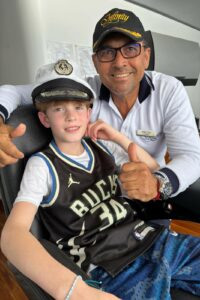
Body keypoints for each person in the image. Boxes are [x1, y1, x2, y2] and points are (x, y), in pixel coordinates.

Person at [1, 59, 163, 300]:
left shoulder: (101, 147)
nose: (70, 117)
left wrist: (118, 137)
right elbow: (13, 234)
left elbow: (154, 168)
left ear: (89, 113)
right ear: (44, 119)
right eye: (58, 109)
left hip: (149, 239)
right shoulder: (41, 165)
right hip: (108, 265)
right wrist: (78, 291)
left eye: (78, 107)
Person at [0, 8, 200, 204]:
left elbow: (191, 157)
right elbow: (13, 91)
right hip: (99, 204)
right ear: (95, 62)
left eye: (130, 49)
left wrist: (157, 183)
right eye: (107, 52)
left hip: (150, 197)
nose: (119, 62)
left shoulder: (169, 90)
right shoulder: (82, 92)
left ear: (145, 56)